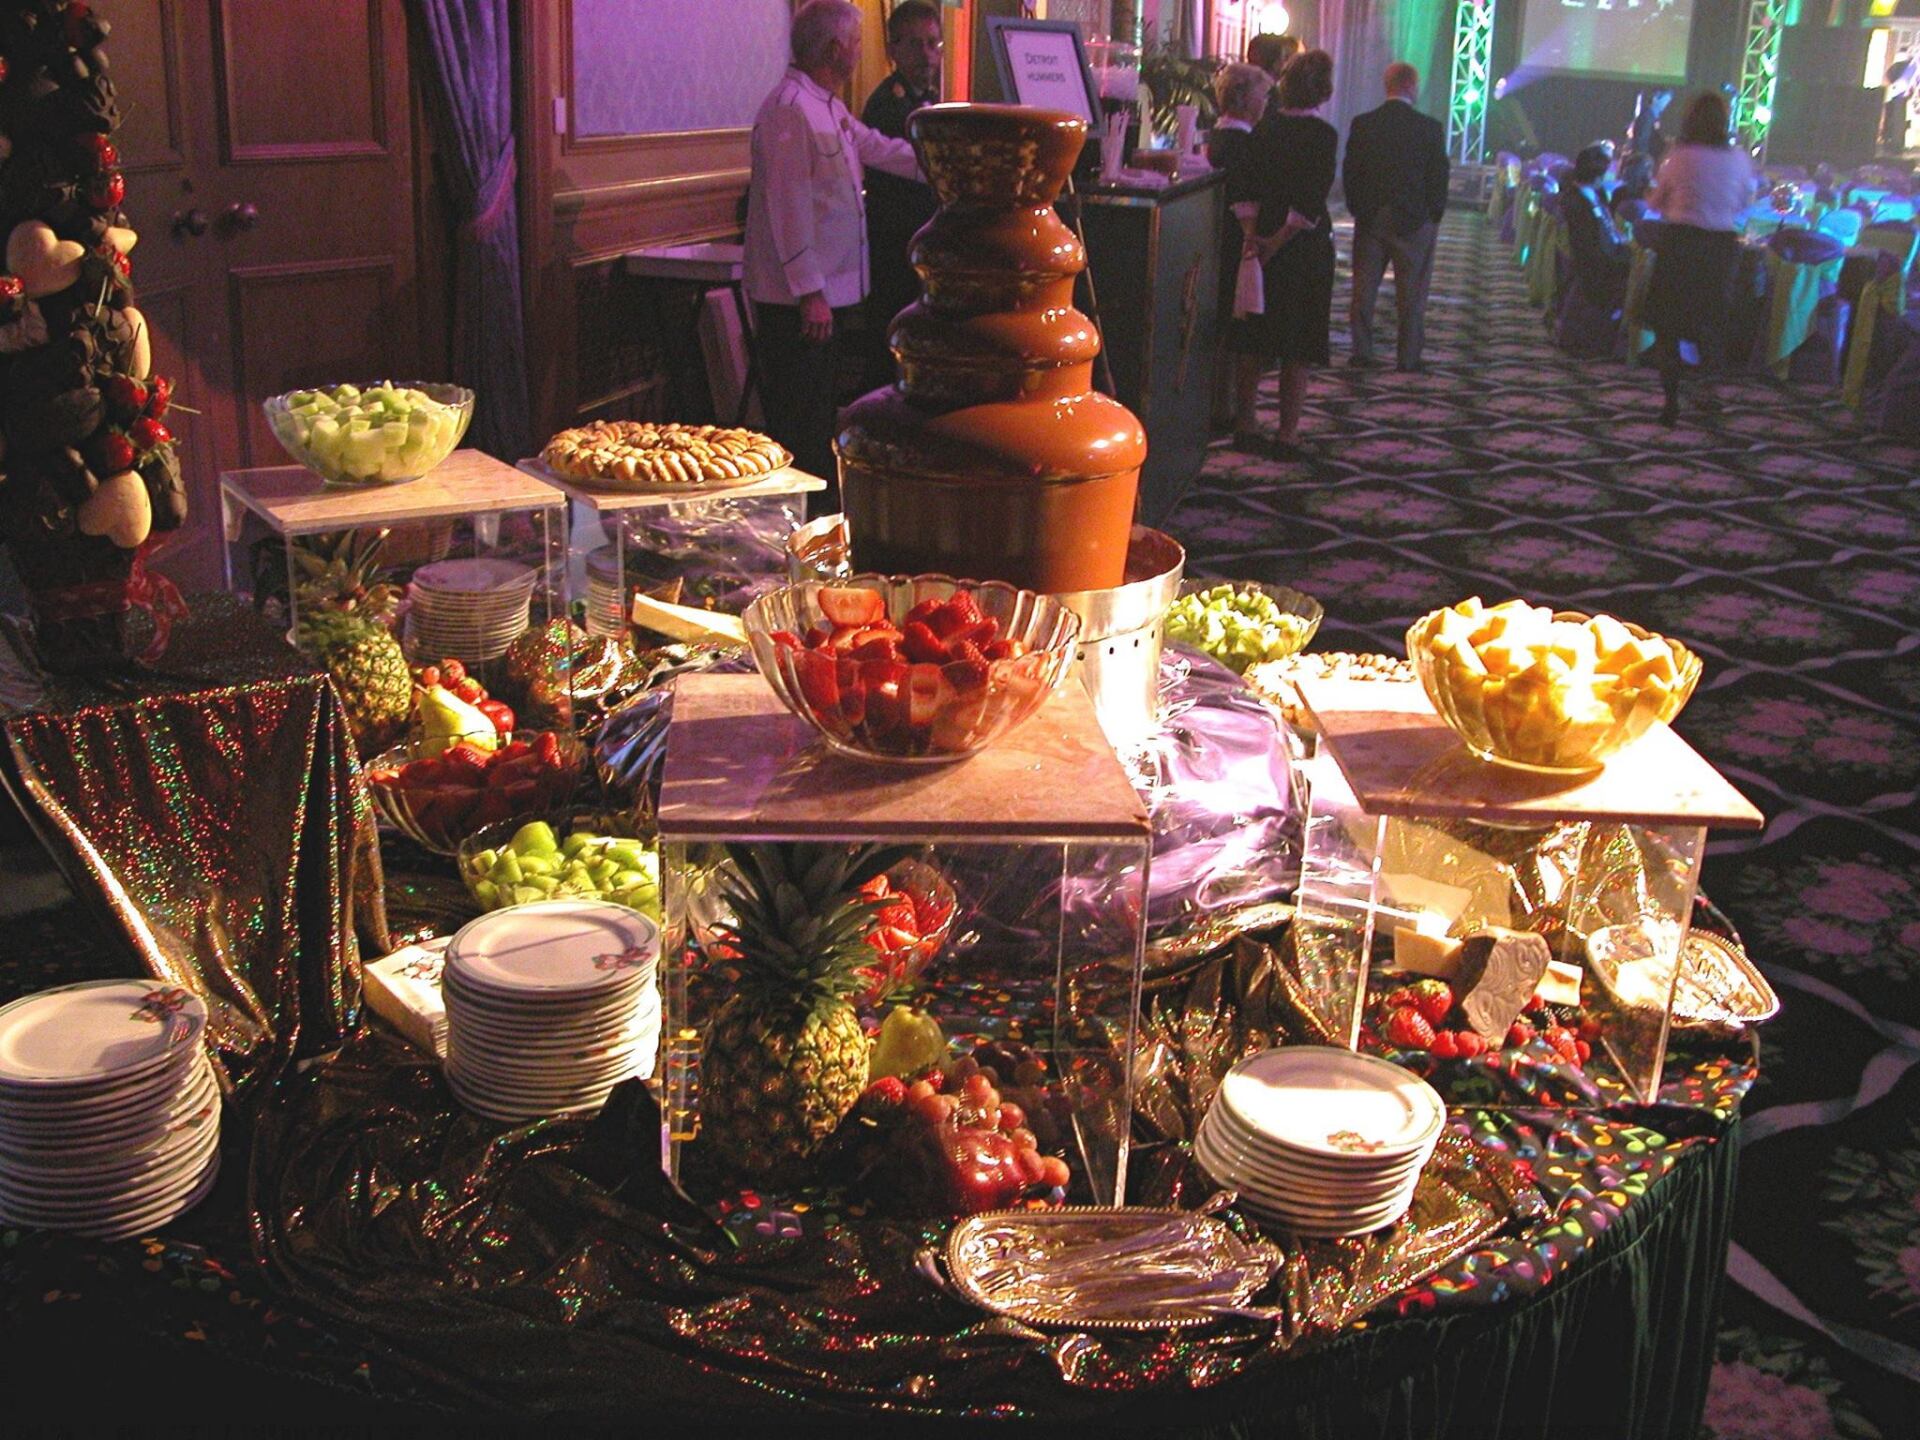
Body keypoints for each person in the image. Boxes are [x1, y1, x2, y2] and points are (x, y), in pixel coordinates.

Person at [743, 0, 919, 503]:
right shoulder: (788, 109)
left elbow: (877, 148)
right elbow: (788, 206)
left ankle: (818, 520)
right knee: (798, 421)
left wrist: (944, 160)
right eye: (858, 44)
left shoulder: (827, 104)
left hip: (828, 297)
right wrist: (810, 293)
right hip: (798, 304)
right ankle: (795, 524)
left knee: (820, 413)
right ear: (837, 48)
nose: (861, 53)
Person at [1231, 49, 1338, 455]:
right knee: (1299, 344)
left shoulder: (1263, 129)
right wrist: (1277, 242)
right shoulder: (1323, 136)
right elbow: (1311, 199)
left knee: (1253, 338)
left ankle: (1245, 423)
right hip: (1303, 248)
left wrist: (1255, 237)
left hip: (1257, 240)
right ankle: (1287, 432)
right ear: (1322, 91)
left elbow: (1247, 188)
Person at [1643, 91, 1756, 425]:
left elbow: (1656, 203)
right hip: (1721, 246)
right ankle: (1709, 393)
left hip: (1681, 243)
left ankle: (1671, 402)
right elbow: (1743, 203)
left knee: (1668, 326)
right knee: (1710, 323)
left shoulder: (1678, 156)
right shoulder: (1737, 158)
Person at [1343, 62, 1450, 372]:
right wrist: (1434, 213)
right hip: (1415, 220)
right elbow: (1438, 175)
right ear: (1411, 86)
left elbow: (1351, 171)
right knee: (1412, 295)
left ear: (1387, 85)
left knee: (1363, 290)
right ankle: (1408, 357)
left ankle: (1362, 351)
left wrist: (1357, 208)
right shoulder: (1429, 127)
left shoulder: (1364, 124)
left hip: (1371, 216)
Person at [859, 0, 942, 390]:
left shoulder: (932, 99)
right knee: (891, 355)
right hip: (895, 246)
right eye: (915, 45)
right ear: (893, 50)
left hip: (923, 243)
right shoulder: (888, 105)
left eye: (933, 44)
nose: (926, 55)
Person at [1207, 63, 1275, 430]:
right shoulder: (1247, 145)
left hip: (1215, 239)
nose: (1266, 103)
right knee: (1235, 326)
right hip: (1239, 242)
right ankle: (1225, 405)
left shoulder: (1216, 138)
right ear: (1245, 98)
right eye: (1262, 95)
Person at [1563, 143, 1631, 312]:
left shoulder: (1593, 194)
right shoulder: (1576, 201)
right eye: (1609, 170)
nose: (1612, 174)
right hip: (1595, 268)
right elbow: (1589, 246)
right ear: (1597, 173)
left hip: (1602, 257)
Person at [1246, 32, 1301, 121]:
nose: (1288, 64)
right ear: (1274, 61)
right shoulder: (1273, 98)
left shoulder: (1241, 91)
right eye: (1285, 57)